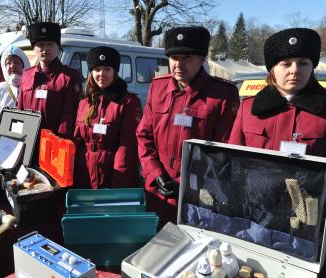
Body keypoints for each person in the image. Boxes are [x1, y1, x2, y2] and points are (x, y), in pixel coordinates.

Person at [136, 26, 240, 227]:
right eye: (174, 58)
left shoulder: (222, 95)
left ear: (202, 59)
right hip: (159, 191)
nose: (178, 65)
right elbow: (144, 136)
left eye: (186, 58)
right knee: (159, 249)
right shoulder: (158, 88)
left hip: (201, 197)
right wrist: (154, 173)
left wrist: (193, 186)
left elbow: (224, 151)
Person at [229, 28, 326, 157]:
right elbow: (233, 160)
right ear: (272, 70)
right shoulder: (248, 108)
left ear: (312, 67)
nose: (295, 70)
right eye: (286, 64)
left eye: (303, 63)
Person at [74, 46, 143, 189]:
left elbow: (128, 147)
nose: (102, 74)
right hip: (84, 175)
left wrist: (118, 185)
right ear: (91, 72)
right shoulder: (84, 102)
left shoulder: (128, 102)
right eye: (97, 69)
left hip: (112, 176)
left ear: (115, 72)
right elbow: (78, 140)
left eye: (107, 69)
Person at [17, 22, 81, 139]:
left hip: (53, 144)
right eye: (40, 44)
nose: (45, 49)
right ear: (33, 48)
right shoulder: (26, 74)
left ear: (57, 47)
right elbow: (20, 111)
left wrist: (60, 143)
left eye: (50, 44)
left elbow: (69, 117)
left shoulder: (69, 77)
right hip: (28, 141)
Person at [0, 45, 30, 130]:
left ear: (24, 65)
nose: (12, 66)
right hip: (3, 137)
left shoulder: (31, 87)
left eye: (17, 63)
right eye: (8, 63)